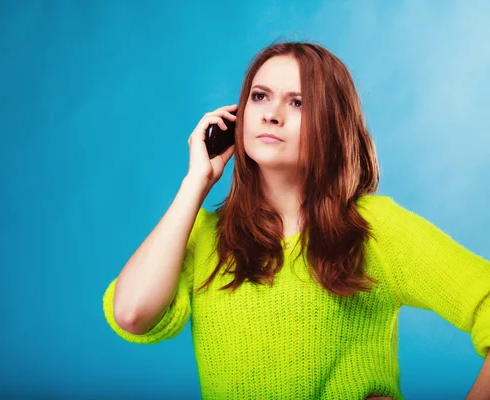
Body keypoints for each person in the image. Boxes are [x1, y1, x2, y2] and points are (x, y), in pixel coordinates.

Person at [102, 41, 490, 400]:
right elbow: (133, 314)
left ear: (332, 123)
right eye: (259, 96)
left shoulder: (373, 228)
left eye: (298, 103)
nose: (271, 115)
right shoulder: (205, 235)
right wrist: (195, 184)